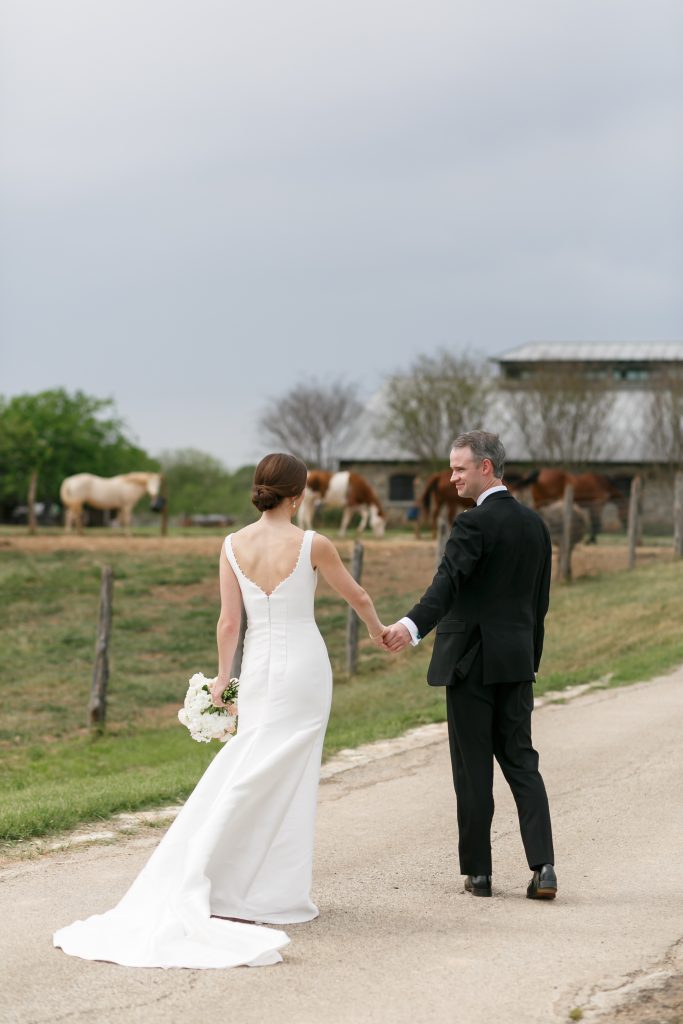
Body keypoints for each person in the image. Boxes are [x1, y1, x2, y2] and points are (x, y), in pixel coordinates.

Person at [54, 452, 387, 969]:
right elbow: (358, 594)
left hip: (256, 669)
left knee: (252, 762)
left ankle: (232, 880)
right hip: (304, 669)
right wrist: (376, 632)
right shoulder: (313, 543)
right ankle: (271, 891)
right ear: (298, 495)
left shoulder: (231, 545)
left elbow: (229, 623)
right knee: (290, 774)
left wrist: (223, 680)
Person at [382, 431, 557, 900]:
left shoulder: (471, 525)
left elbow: (447, 586)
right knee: (523, 763)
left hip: (471, 666)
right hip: (517, 664)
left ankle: (479, 875)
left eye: (459, 468)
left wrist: (410, 627)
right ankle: (544, 868)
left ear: (486, 468)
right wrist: (531, 662)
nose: (452, 477)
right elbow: (539, 605)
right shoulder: (536, 526)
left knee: (473, 769)